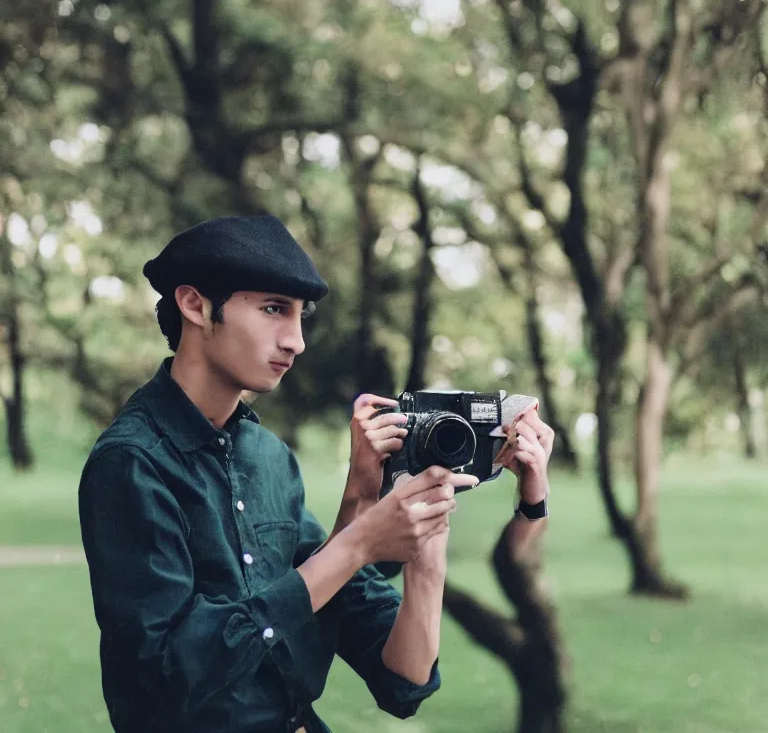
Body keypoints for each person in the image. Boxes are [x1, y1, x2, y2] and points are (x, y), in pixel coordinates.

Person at [79, 215, 554, 733]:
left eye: (301, 316)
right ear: (194, 304)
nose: (297, 341)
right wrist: (356, 544)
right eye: (273, 310)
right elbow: (171, 674)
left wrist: (418, 539)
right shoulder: (132, 463)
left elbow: (401, 683)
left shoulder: (268, 459)